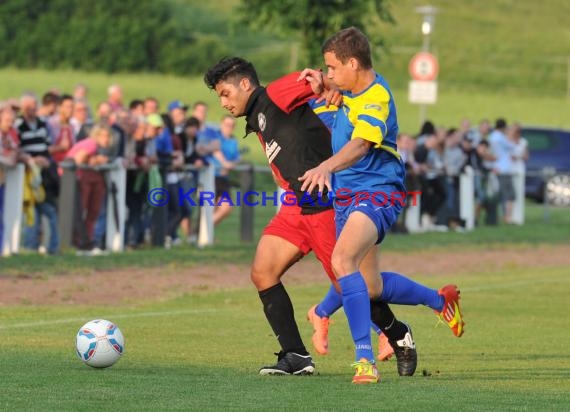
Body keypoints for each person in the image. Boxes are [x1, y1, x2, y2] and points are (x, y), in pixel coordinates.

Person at [297, 27, 463, 383]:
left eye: (331, 68)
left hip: (377, 192)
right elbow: (335, 104)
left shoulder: (376, 97)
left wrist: (325, 166)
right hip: (346, 197)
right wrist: (325, 88)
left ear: (352, 63)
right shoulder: (348, 91)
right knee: (367, 286)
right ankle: (439, 301)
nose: (328, 74)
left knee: (342, 261)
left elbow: (360, 145)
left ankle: (364, 360)